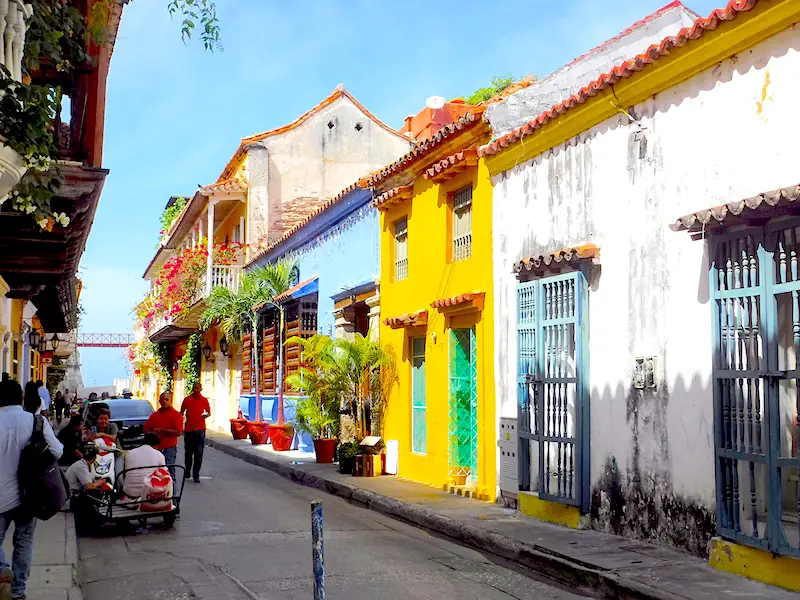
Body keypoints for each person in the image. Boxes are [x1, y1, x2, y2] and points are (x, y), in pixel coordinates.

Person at [0, 379, 63, 600]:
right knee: (24, 540)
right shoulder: (36, 422)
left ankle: (1, 571)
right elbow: (57, 451)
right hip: (29, 495)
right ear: (22, 398)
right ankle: (17, 592)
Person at [65, 442, 109, 535]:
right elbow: (89, 486)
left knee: (94, 492)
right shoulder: (81, 466)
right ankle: (94, 523)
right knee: (94, 492)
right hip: (71, 499)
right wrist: (99, 483)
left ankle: (96, 519)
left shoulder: (80, 464)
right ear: (94, 458)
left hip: (72, 496)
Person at [144, 392, 183, 479]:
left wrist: (162, 430)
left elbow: (178, 432)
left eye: (167, 399)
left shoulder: (177, 415)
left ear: (170, 401)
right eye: (162, 400)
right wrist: (152, 433)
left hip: (169, 447)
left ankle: (172, 490)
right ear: (159, 401)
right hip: (156, 448)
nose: (164, 401)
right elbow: (146, 428)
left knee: (169, 470)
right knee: (154, 471)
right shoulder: (155, 415)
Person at [181, 382, 210, 483]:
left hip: (200, 430)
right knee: (188, 453)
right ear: (193, 389)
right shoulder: (187, 399)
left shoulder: (204, 400)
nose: (197, 390)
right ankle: (187, 471)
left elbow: (208, 412)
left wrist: (205, 415)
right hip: (189, 430)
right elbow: (181, 412)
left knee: (198, 453)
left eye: (198, 388)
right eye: (195, 388)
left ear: (201, 389)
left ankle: (196, 474)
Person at [121, 433, 165, 499]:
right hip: (149, 495)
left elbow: (126, 471)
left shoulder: (130, 453)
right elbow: (164, 474)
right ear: (156, 446)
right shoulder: (159, 455)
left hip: (130, 493)